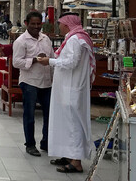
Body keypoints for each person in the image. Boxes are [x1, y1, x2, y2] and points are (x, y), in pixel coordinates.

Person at [36, 12, 95, 174]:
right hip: (67, 88)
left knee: (73, 124)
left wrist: (50, 61)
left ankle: (76, 161)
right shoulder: (74, 37)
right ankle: (69, 155)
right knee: (66, 123)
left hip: (72, 89)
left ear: (67, 24)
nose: (59, 26)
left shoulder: (76, 39)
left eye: (60, 24)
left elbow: (71, 62)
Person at [12, 11, 54, 157]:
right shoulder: (21, 41)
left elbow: (52, 58)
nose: (36, 27)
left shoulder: (46, 39)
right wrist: (35, 60)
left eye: (38, 24)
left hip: (46, 82)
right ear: (26, 24)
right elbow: (16, 62)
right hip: (30, 81)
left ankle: (46, 142)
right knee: (29, 115)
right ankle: (30, 144)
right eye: (33, 24)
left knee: (49, 114)